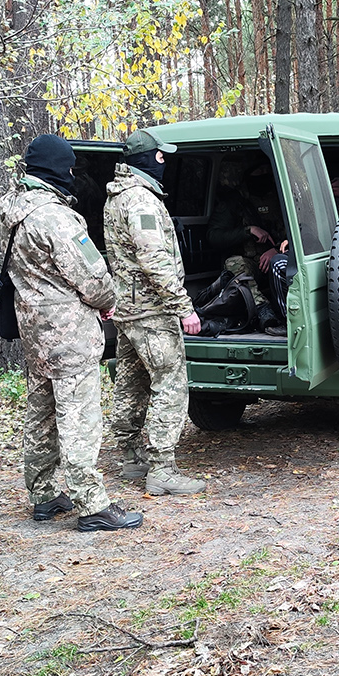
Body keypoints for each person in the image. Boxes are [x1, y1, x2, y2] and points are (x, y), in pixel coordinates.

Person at [0, 134, 143, 531]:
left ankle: (43, 494)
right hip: (68, 333)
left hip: (34, 330)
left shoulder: (14, 210)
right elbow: (93, 276)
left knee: (41, 413)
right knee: (79, 415)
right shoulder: (57, 217)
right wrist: (107, 300)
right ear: (59, 169)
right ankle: (92, 504)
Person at [103, 129, 207, 497]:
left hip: (128, 311)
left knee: (131, 385)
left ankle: (131, 457)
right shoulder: (141, 201)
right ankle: (162, 469)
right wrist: (184, 307)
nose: (165, 162)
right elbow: (153, 259)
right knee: (170, 383)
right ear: (149, 159)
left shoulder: (116, 197)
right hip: (151, 312)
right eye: (161, 157)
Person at [208, 161, 287, 333]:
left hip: (281, 259)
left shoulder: (282, 196)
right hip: (252, 264)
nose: (263, 175)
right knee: (234, 263)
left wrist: (276, 250)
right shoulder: (235, 203)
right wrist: (247, 230)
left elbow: (302, 230)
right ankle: (262, 310)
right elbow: (214, 236)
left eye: (266, 171)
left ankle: (287, 318)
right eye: (259, 170)